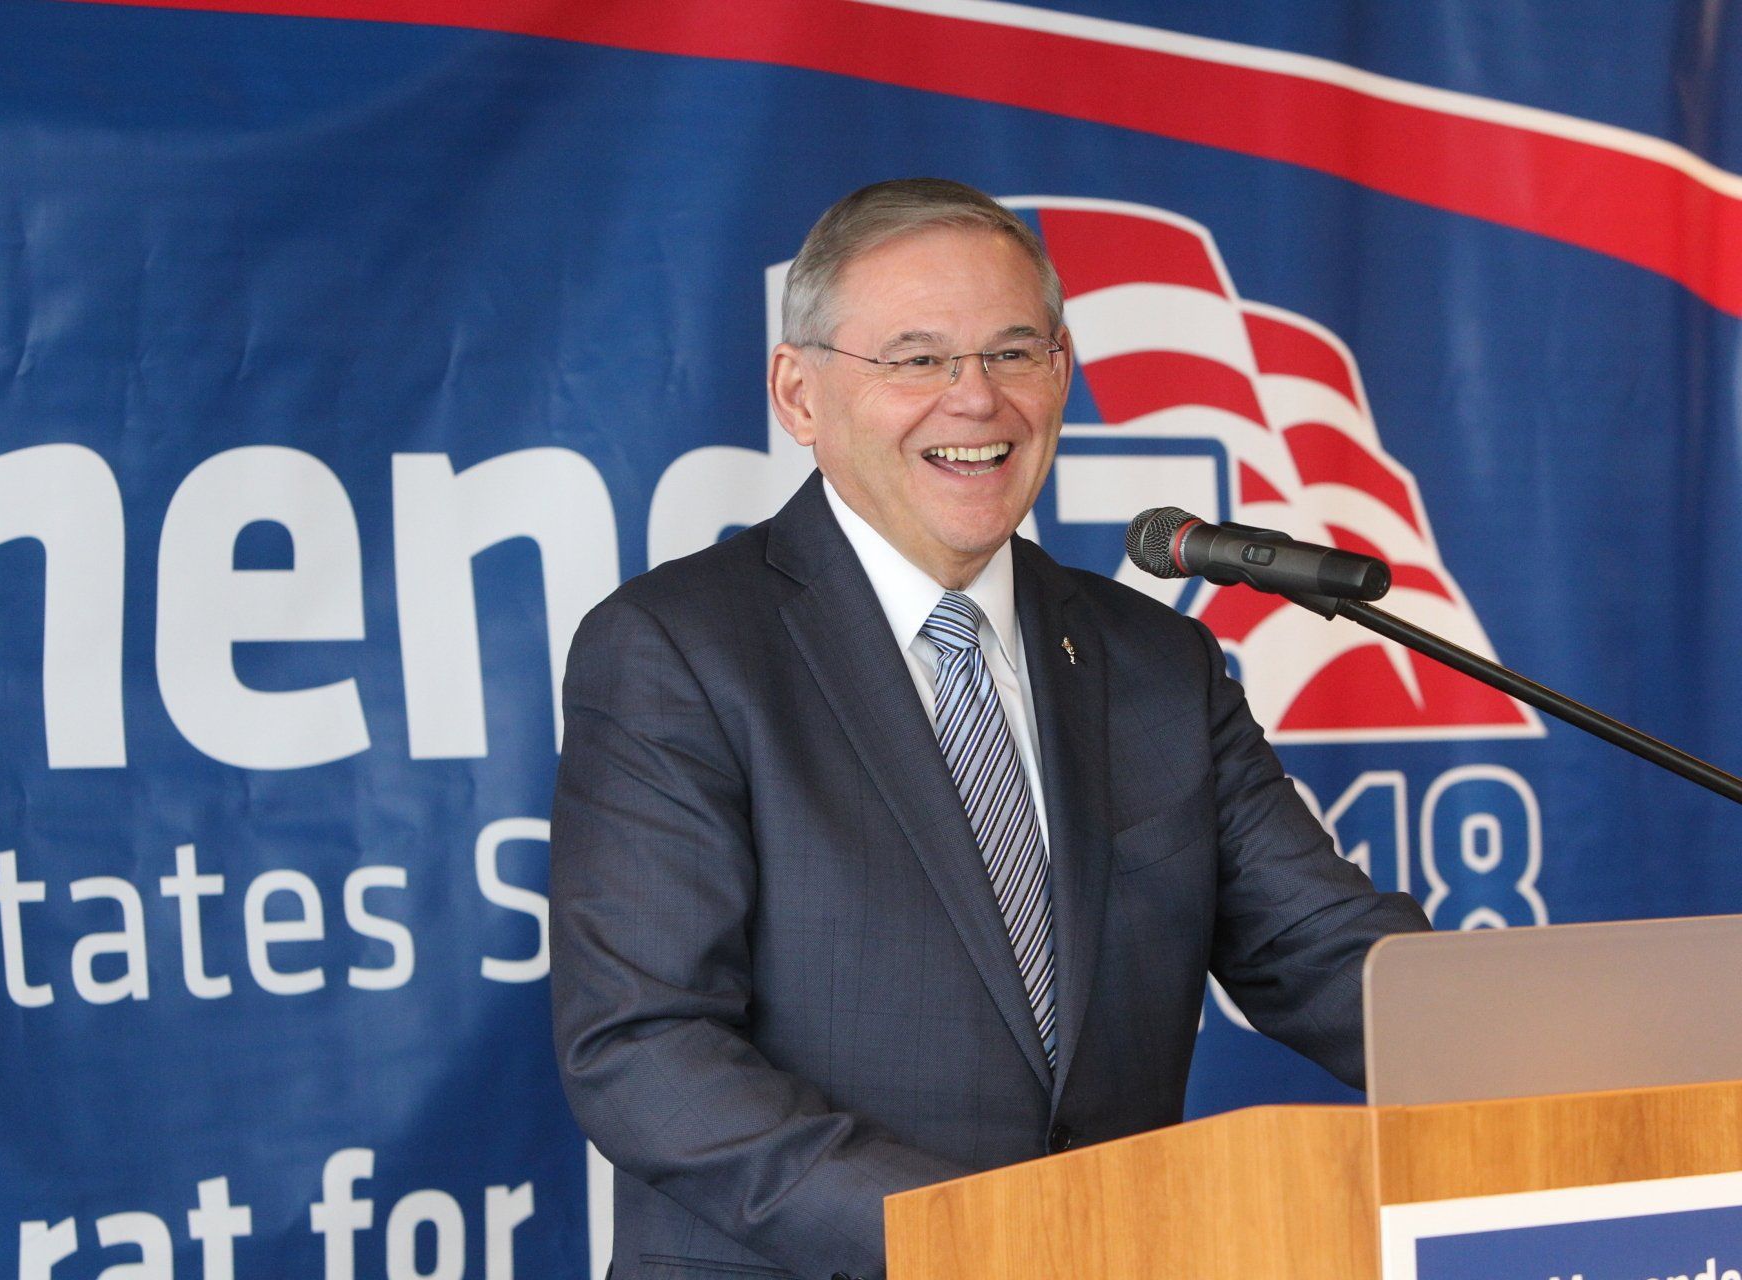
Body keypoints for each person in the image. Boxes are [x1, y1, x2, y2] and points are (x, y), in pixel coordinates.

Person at [550, 178, 1430, 1280]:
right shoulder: (679, 648)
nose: (976, 400)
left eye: (1014, 353)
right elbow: (644, 1050)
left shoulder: (1155, 661)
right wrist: (984, 1238)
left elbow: (1319, 953)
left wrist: (1560, 1051)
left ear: (1060, 373)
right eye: (916, 359)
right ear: (799, 392)